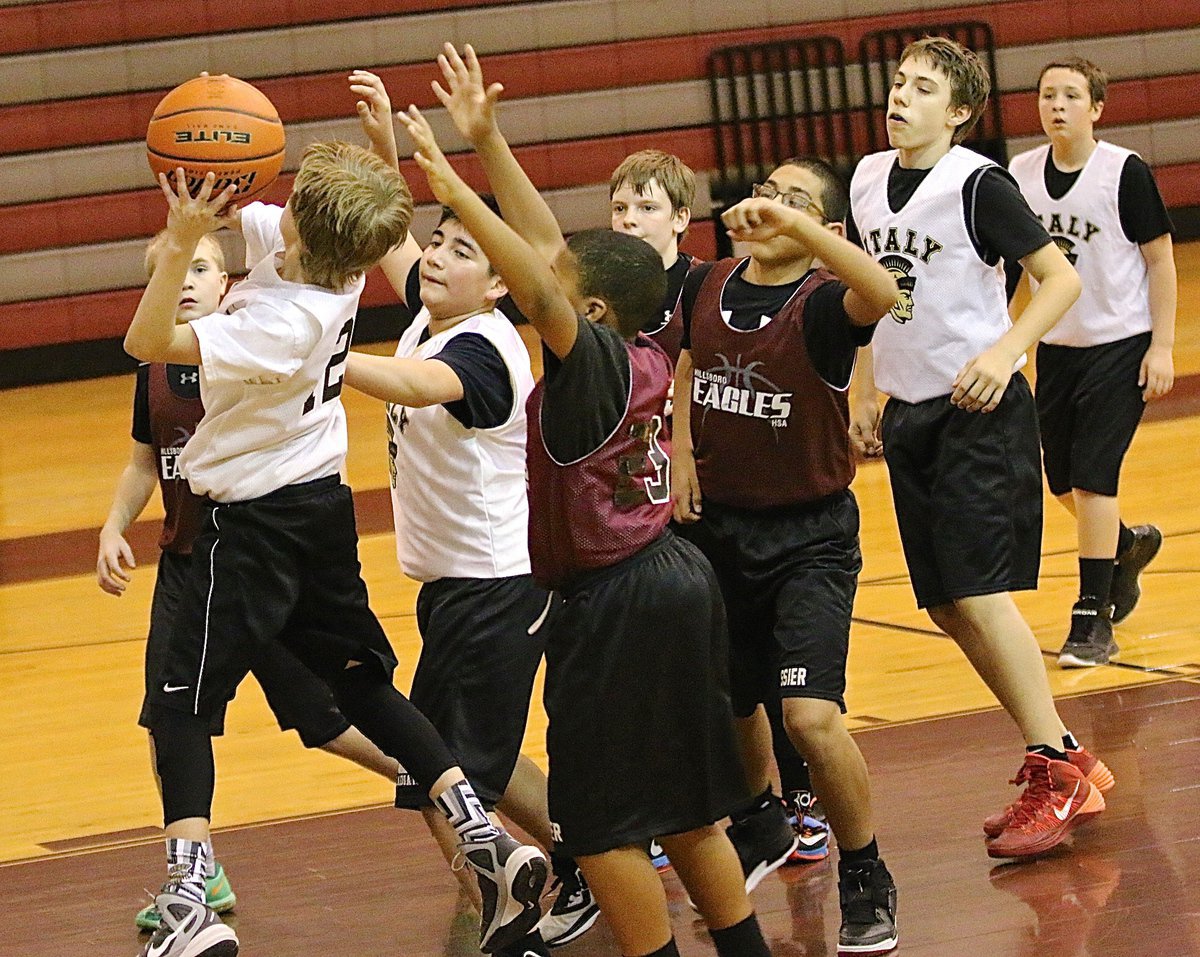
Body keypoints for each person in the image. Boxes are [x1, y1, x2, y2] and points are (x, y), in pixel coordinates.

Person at [122, 141, 546, 957]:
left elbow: (147, 341)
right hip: (319, 504)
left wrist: (179, 243)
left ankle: (187, 898)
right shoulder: (330, 261)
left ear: (304, 230)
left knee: (178, 702)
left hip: (246, 524)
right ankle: (483, 837)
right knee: (360, 681)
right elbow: (267, 222)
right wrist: (204, 195)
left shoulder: (281, 326)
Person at [400, 42, 774, 957]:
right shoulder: (643, 332)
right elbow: (559, 257)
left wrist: (455, 190)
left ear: (589, 316)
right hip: (674, 579)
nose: (544, 292)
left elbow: (537, 272)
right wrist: (490, 144)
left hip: (616, 599)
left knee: (601, 824)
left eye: (563, 299)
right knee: (689, 812)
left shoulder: (592, 357)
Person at [340, 69, 599, 956]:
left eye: (459, 250)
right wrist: (382, 148)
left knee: (445, 777)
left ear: (497, 285)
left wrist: (325, 361)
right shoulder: (433, 314)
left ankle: (507, 906)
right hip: (455, 587)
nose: (437, 257)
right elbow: (392, 250)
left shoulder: (484, 351)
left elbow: (419, 386)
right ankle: (588, 854)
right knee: (460, 759)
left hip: (498, 588)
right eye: (440, 243)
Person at [845, 36, 1112, 860]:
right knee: (946, 603)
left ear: (958, 111)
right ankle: (1064, 751)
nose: (900, 97)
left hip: (979, 410)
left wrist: (1006, 351)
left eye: (922, 88)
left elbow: (1059, 277)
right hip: (910, 413)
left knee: (978, 589)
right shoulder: (863, 179)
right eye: (897, 83)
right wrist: (862, 388)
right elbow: (867, 290)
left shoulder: (977, 185)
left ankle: (1055, 767)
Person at [97, 230, 401, 934]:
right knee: (169, 713)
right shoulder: (154, 371)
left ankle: (420, 770)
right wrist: (115, 524)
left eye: (199, 266)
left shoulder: (247, 348)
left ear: (230, 277)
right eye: (170, 273)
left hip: (255, 556)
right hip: (187, 563)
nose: (186, 281)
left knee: (320, 719)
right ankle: (201, 869)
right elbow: (145, 461)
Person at [670, 156, 901, 955]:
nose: (774, 209)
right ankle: (762, 821)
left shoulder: (828, 305)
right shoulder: (706, 285)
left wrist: (801, 227)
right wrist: (681, 452)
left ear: (826, 233)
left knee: (807, 715)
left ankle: (866, 870)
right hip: (718, 533)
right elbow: (685, 363)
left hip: (810, 539)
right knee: (732, 704)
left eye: (798, 205)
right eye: (770, 192)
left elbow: (884, 292)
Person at [609, 149, 830, 871]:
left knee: (766, 669)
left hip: (754, 496)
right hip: (643, 487)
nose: (630, 219)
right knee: (693, 660)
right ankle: (718, 802)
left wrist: (679, 451)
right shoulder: (611, 287)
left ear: (681, 218)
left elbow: (895, 302)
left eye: (646, 207)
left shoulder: (705, 281)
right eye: (620, 207)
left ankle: (795, 793)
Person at [1008, 56, 1175, 667]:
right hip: (1058, 349)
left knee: (1095, 475)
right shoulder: (1020, 174)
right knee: (1060, 481)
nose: (1057, 106)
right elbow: (1006, 267)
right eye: (1047, 94)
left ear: (1096, 108)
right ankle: (1126, 545)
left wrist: (1162, 345)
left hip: (1122, 343)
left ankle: (1091, 614)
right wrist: (1006, 340)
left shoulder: (1122, 171)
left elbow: (1160, 259)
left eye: (1071, 96)